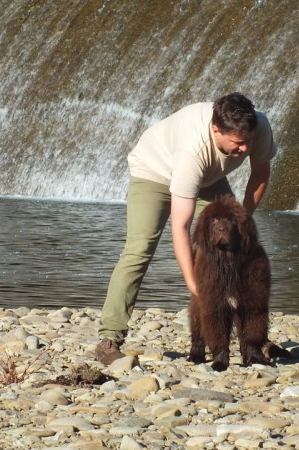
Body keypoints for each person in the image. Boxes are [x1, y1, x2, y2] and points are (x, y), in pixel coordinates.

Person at [95, 92, 277, 365]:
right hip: (154, 171)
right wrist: (195, 285)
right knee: (139, 249)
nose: (244, 149)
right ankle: (110, 338)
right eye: (238, 144)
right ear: (216, 130)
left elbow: (260, 172)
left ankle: (252, 338)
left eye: (247, 142)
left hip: (209, 177)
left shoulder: (258, 127)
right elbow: (181, 227)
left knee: (238, 243)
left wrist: (242, 221)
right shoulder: (191, 151)